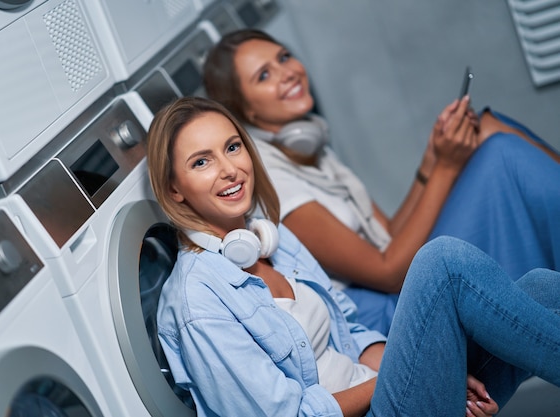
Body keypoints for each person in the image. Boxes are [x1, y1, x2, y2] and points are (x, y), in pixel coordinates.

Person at [146, 96, 560, 417]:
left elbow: (353, 332)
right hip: (377, 404)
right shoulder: (197, 301)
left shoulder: (272, 237)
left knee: (542, 288)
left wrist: (439, 376)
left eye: (232, 148)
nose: (229, 169)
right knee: (444, 262)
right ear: (175, 189)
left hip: (386, 391)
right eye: (202, 162)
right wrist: (399, 378)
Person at [202, 28, 560, 334]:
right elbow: (388, 273)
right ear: (246, 111)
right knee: (500, 151)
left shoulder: (313, 145)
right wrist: (447, 168)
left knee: (488, 133)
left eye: (283, 57)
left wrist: (432, 160)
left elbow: (388, 234)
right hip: (395, 311)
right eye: (263, 75)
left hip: (404, 276)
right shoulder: (271, 178)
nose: (287, 72)